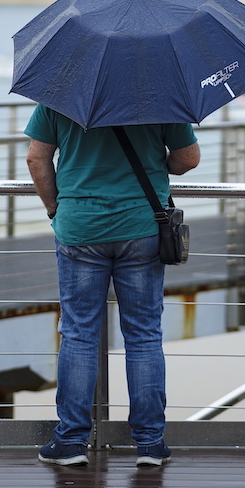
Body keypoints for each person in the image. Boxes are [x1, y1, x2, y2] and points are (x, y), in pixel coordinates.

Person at [25, 103, 200, 467]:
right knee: (144, 334)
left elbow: (36, 160)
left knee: (78, 333)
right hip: (142, 225)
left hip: (80, 227)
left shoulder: (60, 99)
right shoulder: (160, 97)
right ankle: (150, 444)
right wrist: (158, 165)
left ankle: (71, 441)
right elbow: (188, 158)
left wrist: (54, 209)